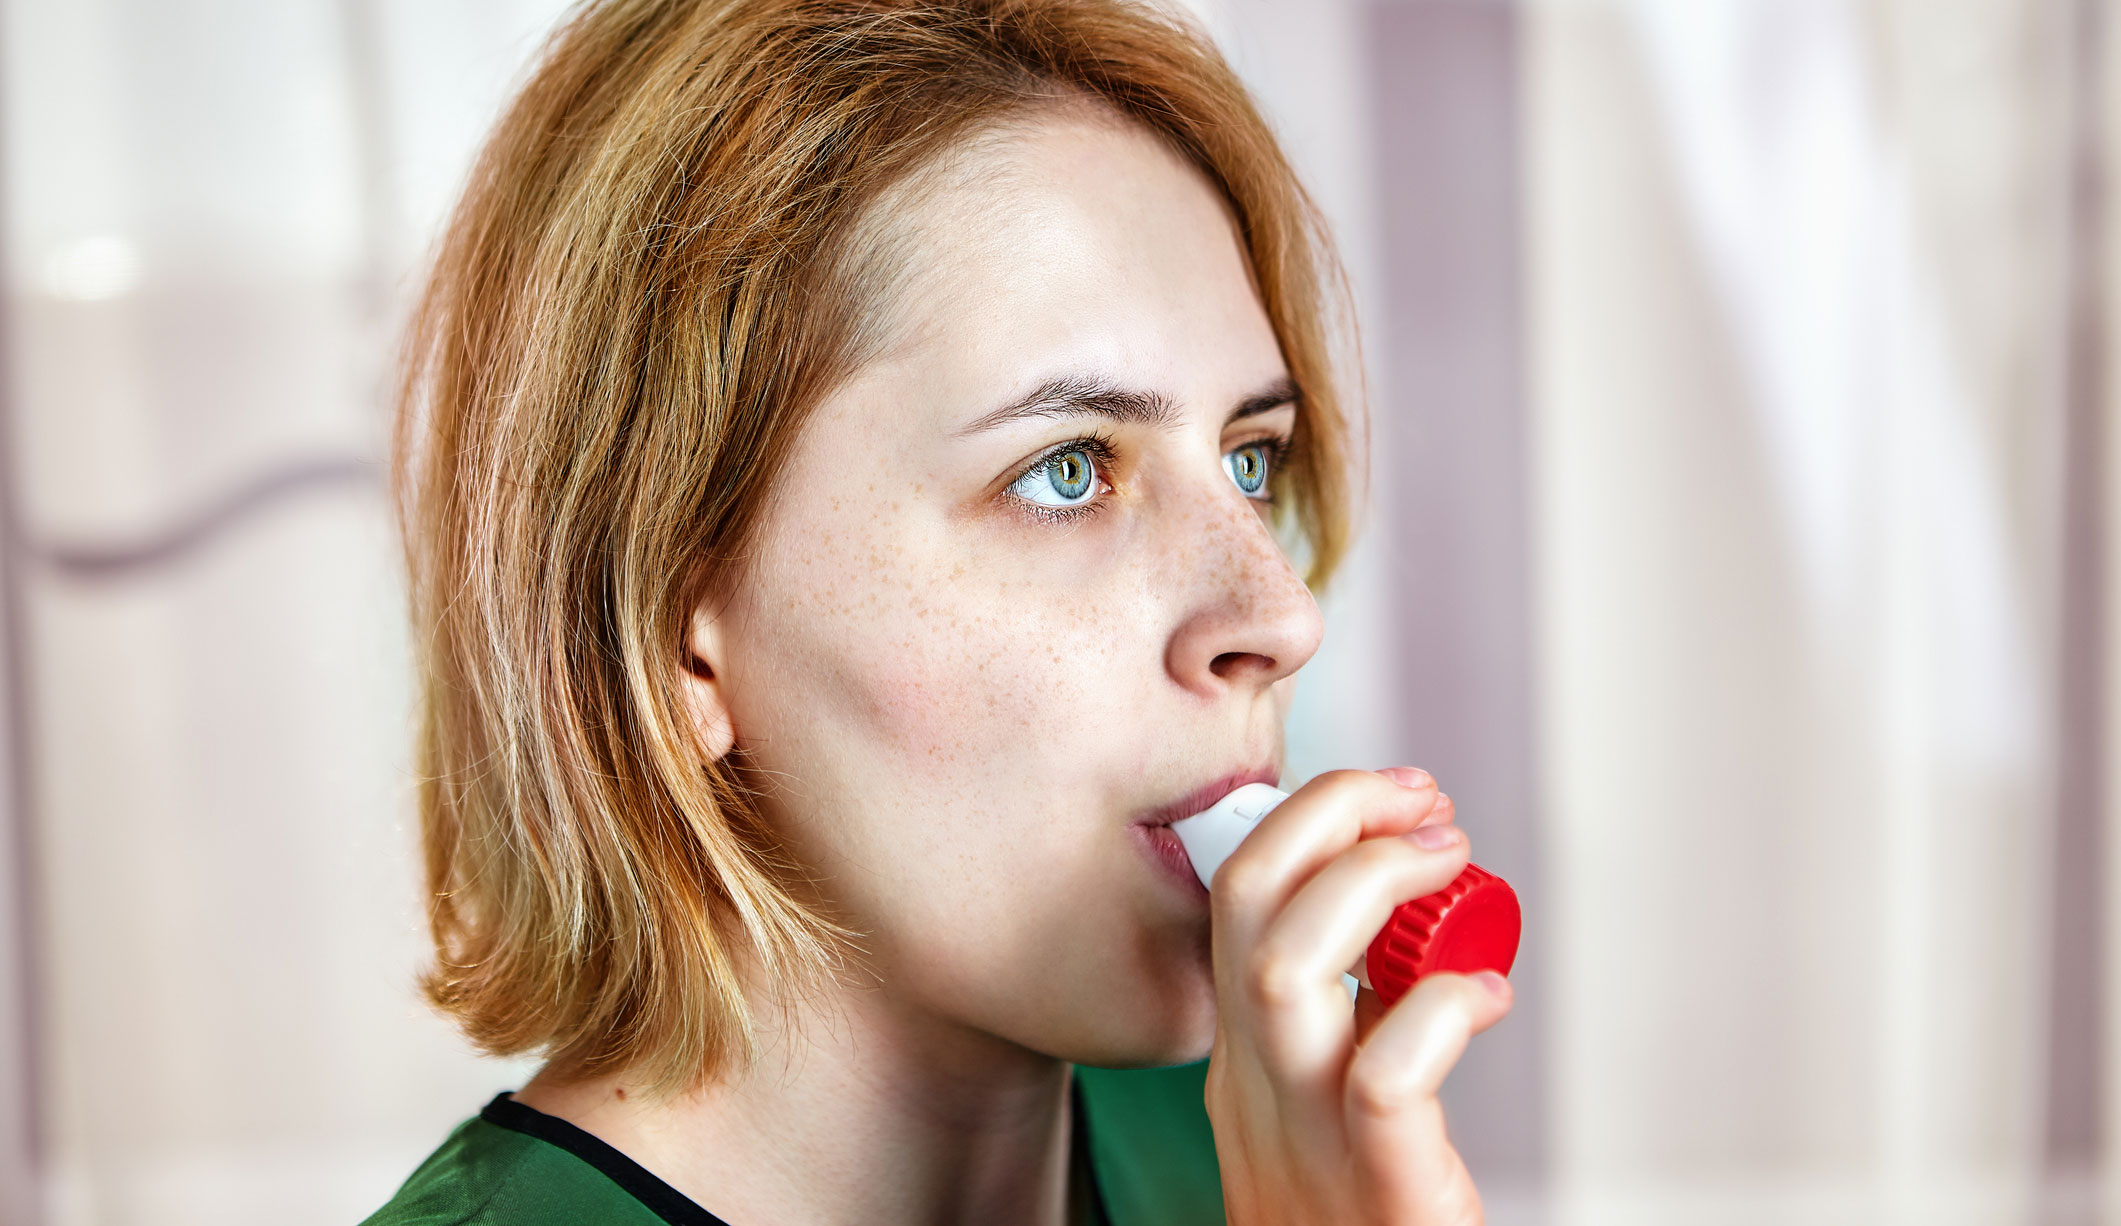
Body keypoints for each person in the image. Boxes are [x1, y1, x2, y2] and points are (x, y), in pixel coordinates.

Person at [364, 1, 1514, 1222]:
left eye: (1249, 458)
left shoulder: (1271, 1142)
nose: (1280, 617)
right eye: (1066, 470)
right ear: (674, 635)